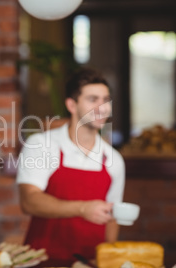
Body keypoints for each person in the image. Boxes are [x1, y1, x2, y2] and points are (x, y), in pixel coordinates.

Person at [16, 68, 125, 266]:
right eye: (93, 99)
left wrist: (108, 259)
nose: (103, 108)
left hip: (90, 262)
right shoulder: (41, 145)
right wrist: (82, 208)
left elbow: (113, 217)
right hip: (43, 260)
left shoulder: (113, 159)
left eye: (106, 100)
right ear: (71, 105)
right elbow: (29, 201)